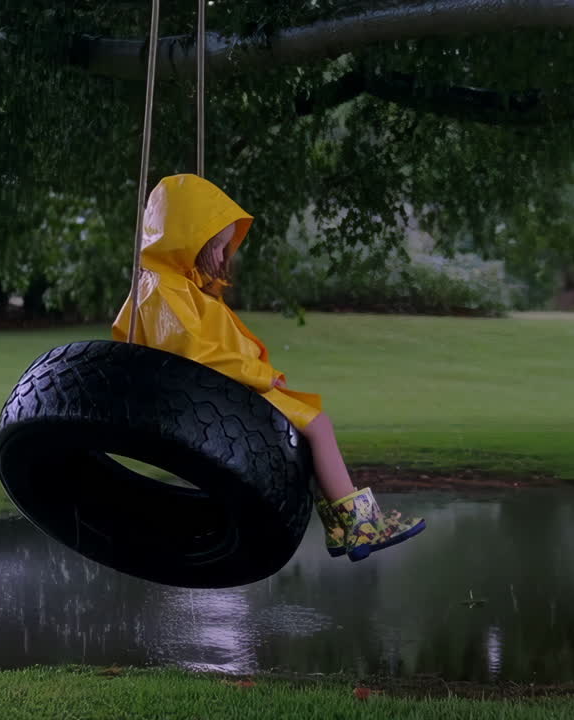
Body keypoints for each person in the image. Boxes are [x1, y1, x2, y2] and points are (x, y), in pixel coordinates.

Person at [113, 174, 425, 562]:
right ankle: (361, 525)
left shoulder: (180, 285)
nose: (220, 258)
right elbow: (193, 353)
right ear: (189, 239)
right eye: (215, 247)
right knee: (317, 426)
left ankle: (342, 526)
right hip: (218, 391)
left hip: (224, 387)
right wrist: (260, 375)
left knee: (305, 435)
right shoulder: (163, 288)